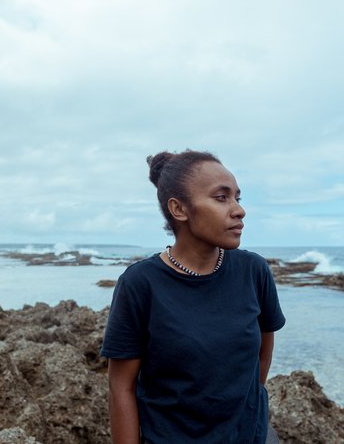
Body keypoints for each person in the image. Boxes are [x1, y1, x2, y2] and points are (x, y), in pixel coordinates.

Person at [101, 150, 285, 444]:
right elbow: (121, 385)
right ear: (179, 209)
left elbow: (262, 354)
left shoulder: (254, 271)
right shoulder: (140, 284)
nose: (239, 210)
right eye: (221, 198)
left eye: (238, 197)